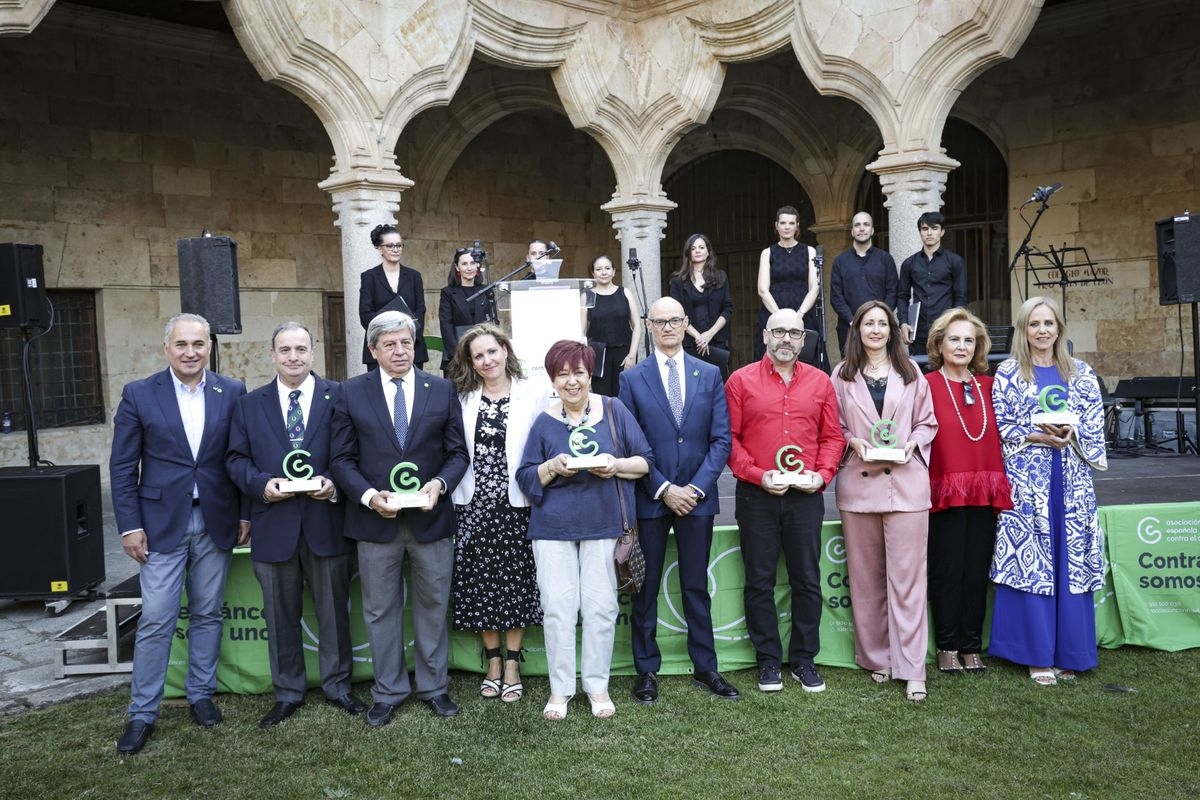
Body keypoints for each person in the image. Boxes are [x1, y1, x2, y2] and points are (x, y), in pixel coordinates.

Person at [109, 313, 248, 754]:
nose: (191, 352)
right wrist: (130, 525)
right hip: (159, 525)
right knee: (156, 619)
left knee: (208, 612)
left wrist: (246, 513)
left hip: (216, 519)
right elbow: (122, 466)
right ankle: (143, 712)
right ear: (166, 347)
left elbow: (240, 457)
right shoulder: (139, 394)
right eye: (182, 344)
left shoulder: (233, 391)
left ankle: (201, 695)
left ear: (210, 347)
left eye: (199, 344)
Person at [329, 310, 469, 725]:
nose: (399, 350)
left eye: (406, 342)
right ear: (373, 350)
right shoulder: (350, 392)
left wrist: (439, 486)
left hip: (431, 520)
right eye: (389, 344)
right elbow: (341, 459)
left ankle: (434, 687)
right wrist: (371, 497)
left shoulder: (440, 390)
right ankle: (388, 690)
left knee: (433, 603)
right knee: (379, 609)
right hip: (376, 522)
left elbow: (457, 453)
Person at [225, 322, 367, 728]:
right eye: (285, 350)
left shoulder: (338, 396)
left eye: (301, 349)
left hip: (327, 521)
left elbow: (353, 452)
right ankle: (288, 692)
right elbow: (235, 459)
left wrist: (333, 484)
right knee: (279, 614)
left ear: (313, 351)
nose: (293, 357)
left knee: (333, 612)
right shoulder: (249, 404)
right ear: (272, 354)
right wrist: (260, 486)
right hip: (274, 523)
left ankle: (339, 686)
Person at [516, 340, 651, 721]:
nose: (572, 381)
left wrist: (614, 464)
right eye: (563, 374)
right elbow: (526, 476)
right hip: (553, 527)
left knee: (601, 608)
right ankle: (560, 691)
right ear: (553, 380)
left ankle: (597, 686)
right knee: (558, 609)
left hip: (604, 523)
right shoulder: (544, 422)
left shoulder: (614, 409)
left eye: (579, 373)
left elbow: (645, 462)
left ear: (590, 375)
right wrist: (552, 467)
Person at [618, 297, 737, 703]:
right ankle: (646, 670)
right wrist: (665, 489)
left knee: (694, 586)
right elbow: (630, 442)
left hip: (698, 499)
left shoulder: (710, 373)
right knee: (646, 587)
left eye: (675, 321)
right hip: (652, 498)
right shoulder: (633, 379)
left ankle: (706, 668)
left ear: (686, 324)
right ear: (648, 326)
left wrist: (697, 488)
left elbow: (721, 439)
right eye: (659, 321)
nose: (668, 327)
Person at [989, 296, 1107, 685]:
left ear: (1059, 328)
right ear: (1023, 330)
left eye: (1048, 323)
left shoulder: (1082, 373)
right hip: (1027, 483)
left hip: (1071, 481)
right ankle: (1035, 654)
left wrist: (1073, 435)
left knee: (1069, 559)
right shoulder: (1008, 373)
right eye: (1034, 324)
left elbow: (1093, 423)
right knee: (1033, 560)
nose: (1042, 331)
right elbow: (1001, 426)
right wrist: (1035, 435)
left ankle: (1071, 652)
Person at [726, 309, 842, 694]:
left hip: (805, 497)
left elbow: (833, 438)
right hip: (757, 495)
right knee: (759, 580)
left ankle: (805, 658)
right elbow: (731, 440)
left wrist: (822, 475)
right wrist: (760, 475)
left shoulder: (821, 382)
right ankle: (769, 660)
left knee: (807, 579)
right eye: (779, 331)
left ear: (804, 339)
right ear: (765, 336)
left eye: (794, 332)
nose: (786, 339)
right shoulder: (741, 381)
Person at [831, 300, 938, 702]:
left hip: (907, 486)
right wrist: (851, 440)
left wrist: (914, 443)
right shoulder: (841, 375)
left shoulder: (912, 374)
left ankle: (913, 668)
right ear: (856, 329)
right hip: (859, 486)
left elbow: (928, 422)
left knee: (908, 582)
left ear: (894, 330)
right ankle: (877, 658)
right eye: (868, 323)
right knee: (866, 579)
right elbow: (833, 424)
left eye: (882, 323)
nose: (875, 329)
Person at [446, 323, 547, 704]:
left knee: (517, 584)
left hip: (516, 504)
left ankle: (513, 664)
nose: (487, 360)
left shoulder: (533, 393)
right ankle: (491, 661)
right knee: (480, 584)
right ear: (470, 363)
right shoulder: (462, 398)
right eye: (478, 356)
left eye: (492, 351)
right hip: (472, 505)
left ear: (505, 350)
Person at [923, 309, 1013, 675]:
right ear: (939, 343)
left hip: (985, 489)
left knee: (976, 570)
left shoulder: (990, 385)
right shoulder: (925, 383)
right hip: (944, 489)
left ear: (979, 346)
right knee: (947, 571)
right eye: (954, 339)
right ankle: (947, 645)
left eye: (969, 340)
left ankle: (971, 645)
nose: (961, 346)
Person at [754, 205, 819, 363]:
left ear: (797, 226)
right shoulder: (768, 253)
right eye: (783, 223)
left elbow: (815, 288)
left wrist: (800, 315)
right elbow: (763, 290)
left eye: (791, 223)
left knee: (807, 361)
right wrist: (780, 317)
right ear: (776, 226)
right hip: (773, 311)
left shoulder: (809, 251)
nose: (787, 227)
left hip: (804, 313)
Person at [358, 224, 428, 369]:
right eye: (390, 246)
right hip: (381, 345)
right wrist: (388, 335)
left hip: (410, 345)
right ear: (379, 248)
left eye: (399, 245)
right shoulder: (369, 277)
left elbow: (420, 310)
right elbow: (365, 314)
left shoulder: (414, 276)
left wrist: (407, 335)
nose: (395, 249)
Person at [897, 211, 967, 355]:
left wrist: (955, 325)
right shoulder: (909, 264)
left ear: (942, 232)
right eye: (925, 229)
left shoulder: (955, 261)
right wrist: (903, 322)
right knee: (920, 374)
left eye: (934, 228)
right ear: (920, 232)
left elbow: (960, 296)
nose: (929, 233)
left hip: (946, 330)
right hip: (918, 332)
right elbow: (902, 296)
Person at [830, 212, 898, 351]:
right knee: (850, 370)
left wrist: (879, 321)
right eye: (857, 225)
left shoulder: (885, 259)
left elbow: (892, 293)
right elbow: (836, 297)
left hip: (878, 330)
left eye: (866, 224)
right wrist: (853, 321)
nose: (862, 228)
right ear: (852, 231)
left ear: (872, 230)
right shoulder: (840, 261)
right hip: (848, 328)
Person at [669, 233, 733, 374]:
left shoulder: (721, 276)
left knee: (717, 384)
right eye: (693, 248)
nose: (697, 251)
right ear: (688, 253)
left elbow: (727, 309)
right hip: (689, 342)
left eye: (701, 247)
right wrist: (699, 337)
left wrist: (709, 334)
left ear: (708, 252)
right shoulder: (677, 281)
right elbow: (676, 314)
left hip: (716, 341)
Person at [585, 254, 641, 396]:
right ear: (593, 273)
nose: (603, 272)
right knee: (602, 398)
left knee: (625, 396)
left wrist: (632, 354)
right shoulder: (587, 295)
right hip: (598, 356)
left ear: (614, 271)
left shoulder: (625, 293)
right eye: (598, 269)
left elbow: (637, 326)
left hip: (624, 353)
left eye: (607, 268)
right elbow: (582, 331)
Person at [438, 247, 492, 372]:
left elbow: (491, 322)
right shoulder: (448, 293)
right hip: (457, 352)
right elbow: (446, 325)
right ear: (457, 267)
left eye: (473, 263)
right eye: (464, 264)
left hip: (483, 353)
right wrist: (459, 354)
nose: (469, 268)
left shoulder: (486, 290)